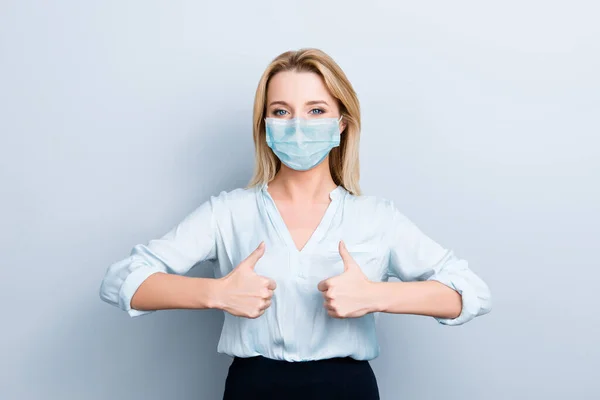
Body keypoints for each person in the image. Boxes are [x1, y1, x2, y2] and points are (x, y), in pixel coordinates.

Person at [99, 48, 492, 399]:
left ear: (341, 123)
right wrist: (216, 292)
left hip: (347, 390)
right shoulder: (229, 213)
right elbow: (123, 280)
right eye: (281, 111)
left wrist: (376, 296)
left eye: (316, 110)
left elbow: (469, 292)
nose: (297, 125)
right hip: (252, 389)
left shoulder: (375, 217)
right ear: (266, 125)